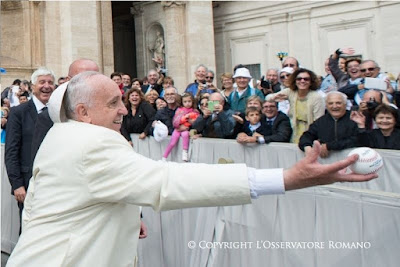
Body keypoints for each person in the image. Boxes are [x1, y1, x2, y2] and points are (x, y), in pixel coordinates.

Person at [6, 71, 377, 267]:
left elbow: (64, 202)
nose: (124, 110)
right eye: (114, 102)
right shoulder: (91, 142)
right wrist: (286, 178)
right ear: (83, 112)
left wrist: (122, 212)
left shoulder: (62, 137)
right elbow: (167, 182)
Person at [5, 67, 55, 222]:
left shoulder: (58, 112)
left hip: (55, 182)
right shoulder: (19, 112)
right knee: (28, 227)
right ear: (32, 86)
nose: (47, 86)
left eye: (50, 82)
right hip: (28, 183)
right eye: (42, 82)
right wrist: (17, 184)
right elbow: (11, 151)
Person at [31, 58, 100, 161]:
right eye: (82, 78)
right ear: (68, 80)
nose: (88, 83)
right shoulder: (51, 114)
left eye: (94, 78)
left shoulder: (106, 110)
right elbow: (40, 158)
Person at [266, 68, 325, 143]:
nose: (302, 81)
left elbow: (319, 121)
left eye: (306, 79)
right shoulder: (290, 92)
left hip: (310, 133)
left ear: (311, 82)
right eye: (299, 79)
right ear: (295, 81)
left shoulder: (317, 97)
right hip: (294, 131)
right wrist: (274, 97)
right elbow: (268, 98)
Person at [298, 91, 358, 157]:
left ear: (345, 104)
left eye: (338, 103)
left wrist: (329, 146)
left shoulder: (355, 118)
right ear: (326, 106)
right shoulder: (321, 121)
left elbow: (357, 140)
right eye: (330, 103)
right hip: (327, 163)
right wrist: (307, 147)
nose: (334, 106)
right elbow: (307, 136)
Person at [162, 93, 199, 162]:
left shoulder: (194, 111)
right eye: (185, 102)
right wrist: (183, 119)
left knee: (185, 135)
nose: (187, 103)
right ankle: (164, 156)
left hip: (186, 128)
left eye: (189, 101)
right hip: (178, 129)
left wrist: (189, 120)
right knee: (172, 142)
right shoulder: (179, 110)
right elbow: (175, 120)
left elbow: (195, 119)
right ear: (182, 102)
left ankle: (185, 152)